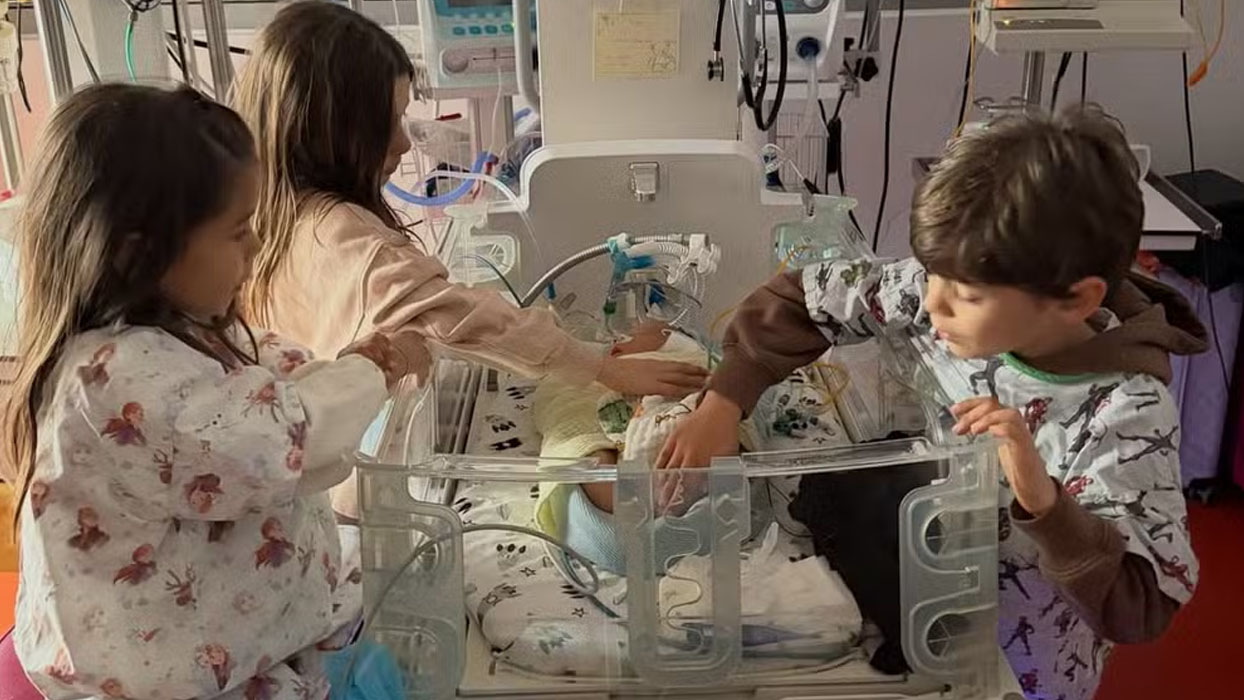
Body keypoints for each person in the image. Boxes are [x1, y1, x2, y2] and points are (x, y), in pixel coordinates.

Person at [657, 107, 1205, 699]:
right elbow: (803, 296)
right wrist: (723, 403)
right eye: (930, 274)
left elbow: (1142, 605)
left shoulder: (1123, 413)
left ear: (1075, 300)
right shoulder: (939, 294)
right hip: (936, 607)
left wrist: (1042, 499)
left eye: (963, 294)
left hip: (1025, 665)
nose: (932, 304)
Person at [0, 84, 405, 700]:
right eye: (238, 232)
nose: (256, 247)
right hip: (154, 678)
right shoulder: (117, 378)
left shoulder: (183, 332)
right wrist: (369, 373)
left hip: (219, 643)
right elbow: (282, 439)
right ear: (140, 255)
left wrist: (347, 365)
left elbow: (269, 369)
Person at [231, 2, 706, 516]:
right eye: (389, 122)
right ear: (327, 127)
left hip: (315, 482)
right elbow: (461, 317)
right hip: (358, 486)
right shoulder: (344, 235)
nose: (402, 142)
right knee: (588, 454)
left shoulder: (267, 222)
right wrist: (603, 369)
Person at [531, 322, 758, 573]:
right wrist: (606, 368)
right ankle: (650, 491)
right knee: (584, 442)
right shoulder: (589, 365)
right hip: (604, 402)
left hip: (678, 410)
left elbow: (729, 374)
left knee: (714, 416)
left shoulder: (692, 352)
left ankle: (665, 483)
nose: (619, 341)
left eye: (627, 337)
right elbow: (556, 393)